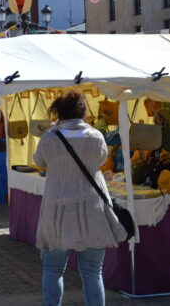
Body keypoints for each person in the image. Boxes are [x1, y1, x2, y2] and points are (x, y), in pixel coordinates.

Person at [33, 91, 126, 306]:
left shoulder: (50, 138)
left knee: (53, 269)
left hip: (57, 209)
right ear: (84, 112)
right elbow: (102, 160)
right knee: (93, 272)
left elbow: (39, 160)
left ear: (59, 113)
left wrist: (51, 129)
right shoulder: (95, 136)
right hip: (92, 208)